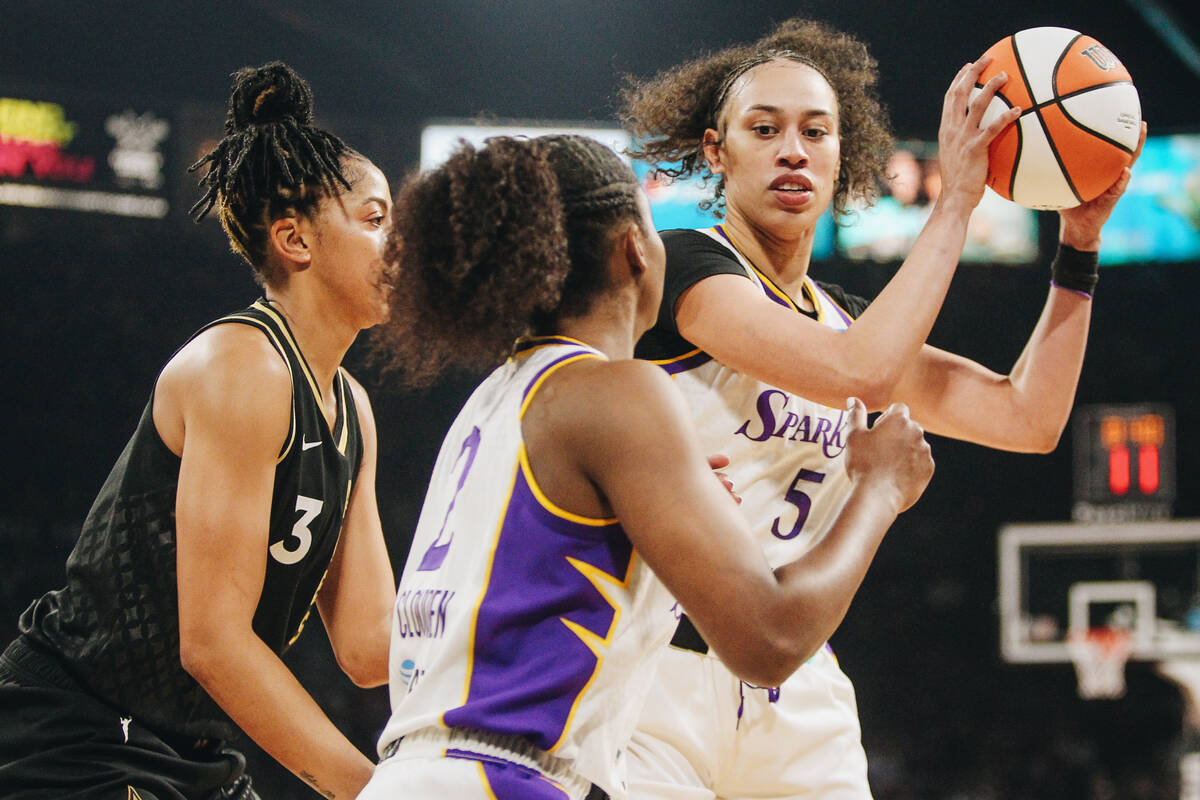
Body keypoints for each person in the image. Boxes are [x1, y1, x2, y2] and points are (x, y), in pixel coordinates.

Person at [619, 16, 1145, 799]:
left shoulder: (846, 321)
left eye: (816, 131)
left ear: (841, 157)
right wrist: (956, 201)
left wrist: (1079, 246)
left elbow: (1027, 419)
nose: (792, 149)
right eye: (764, 129)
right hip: (660, 672)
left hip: (798, 685)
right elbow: (855, 374)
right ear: (715, 152)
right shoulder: (688, 264)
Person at [358, 133, 934, 800]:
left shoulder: (494, 402)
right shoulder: (618, 390)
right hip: (503, 777)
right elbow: (769, 641)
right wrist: (878, 490)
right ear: (635, 247)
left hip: (420, 772)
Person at [0, 62, 396, 800]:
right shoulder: (241, 366)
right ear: (295, 240)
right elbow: (213, 644)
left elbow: (372, 648)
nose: (395, 244)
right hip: (73, 732)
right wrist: (374, 789)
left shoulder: (353, 409)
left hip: (188, 746)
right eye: (375, 220)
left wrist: (508, 633)